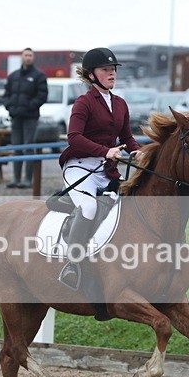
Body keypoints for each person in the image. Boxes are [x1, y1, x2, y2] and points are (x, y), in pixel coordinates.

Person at [56, 47, 145, 318]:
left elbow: (127, 137)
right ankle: (72, 265)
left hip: (106, 172)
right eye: (107, 70)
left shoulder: (120, 104)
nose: (112, 74)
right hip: (80, 167)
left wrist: (138, 150)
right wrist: (105, 151)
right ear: (92, 74)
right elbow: (74, 137)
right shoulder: (83, 103)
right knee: (90, 209)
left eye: (114, 70)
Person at [2, 47, 48, 189]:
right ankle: (16, 179)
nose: (28, 57)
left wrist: (28, 106)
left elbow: (42, 96)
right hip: (16, 117)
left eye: (30, 55)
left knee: (28, 147)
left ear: (33, 57)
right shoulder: (13, 75)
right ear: (21, 57)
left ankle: (28, 180)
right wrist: (9, 106)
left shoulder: (38, 75)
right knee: (17, 148)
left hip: (30, 117)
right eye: (25, 55)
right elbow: (6, 94)